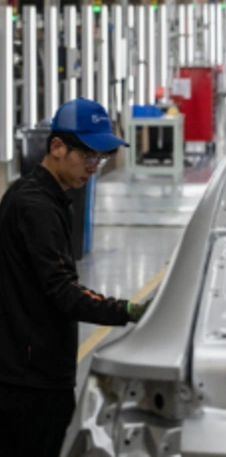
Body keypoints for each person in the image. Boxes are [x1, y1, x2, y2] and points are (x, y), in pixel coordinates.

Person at [0, 98, 149, 457]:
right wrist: (130, 310)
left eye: (100, 158)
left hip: (27, 366)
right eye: (88, 156)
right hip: (31, 380)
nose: (94, 167)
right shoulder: (37, 207)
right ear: (57, 147)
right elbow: (64, 291)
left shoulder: (37, 194)